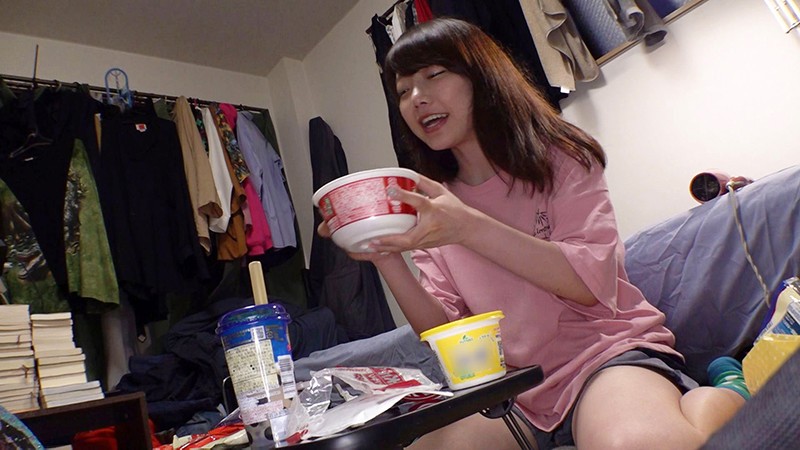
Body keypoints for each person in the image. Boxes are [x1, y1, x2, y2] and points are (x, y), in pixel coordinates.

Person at [318, 18, 747, 450]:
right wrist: (384, 254)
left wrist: (466, 226)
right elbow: (444, 333)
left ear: (482, 76)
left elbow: (588, 285)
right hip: (515, 388)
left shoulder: (560, 158)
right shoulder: (432, 206)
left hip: (603, 356)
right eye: (403, 90)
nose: (416, 98)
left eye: (434, 74)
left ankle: (726, 392)